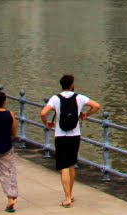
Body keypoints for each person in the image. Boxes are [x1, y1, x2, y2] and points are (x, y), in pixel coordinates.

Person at [40, 74, 100, 207]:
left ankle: (67, 198)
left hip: (60, 135)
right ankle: (71, 194)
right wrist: (86, 115)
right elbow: (96, 106)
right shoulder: (79, 97)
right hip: (75, 135)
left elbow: (43, 113)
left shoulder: (55, 98)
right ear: (72, 85)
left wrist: (47, 123)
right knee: (72, 164)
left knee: (64, 166)